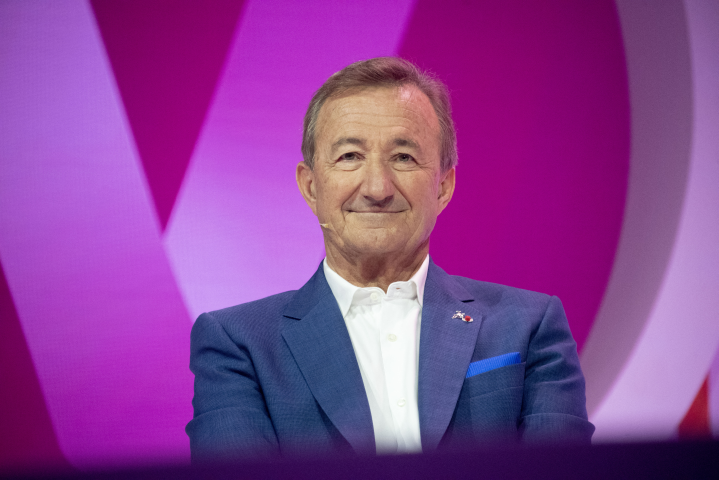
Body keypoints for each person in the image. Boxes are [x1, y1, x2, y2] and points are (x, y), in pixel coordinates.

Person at [186, 57, 594, 461]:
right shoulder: (239, 345)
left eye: (403, 157)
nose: (378, 187)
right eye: (349, 156)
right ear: (310, 187)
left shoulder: (529, 325)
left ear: (444, 186)